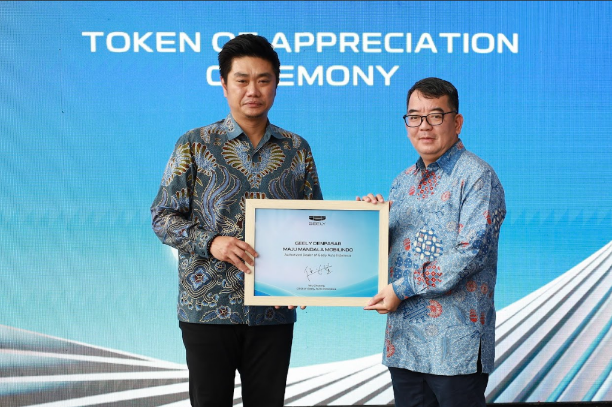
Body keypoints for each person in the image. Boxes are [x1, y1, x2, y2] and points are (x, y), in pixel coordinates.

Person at [150, 34, 323, 407]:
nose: (253, 90)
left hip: (273, 312)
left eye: (263, 80)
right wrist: (211, 242)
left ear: (276, 84)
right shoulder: (194, 144)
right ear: (224, 84)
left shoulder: (297, 149)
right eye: (242, 80)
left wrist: (309, 281)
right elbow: (162, 216)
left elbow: (314, 222)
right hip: (206, 309)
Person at [359, 77, 506, 407]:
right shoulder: (401, 183)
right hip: (404, 345)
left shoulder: (477, 176)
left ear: (457, 122)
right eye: (414, 117)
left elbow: (472, 252)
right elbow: (391, 254)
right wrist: (369, 223)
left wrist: (401, 289)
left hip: (454, 349)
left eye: (435, 116)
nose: (423, 126)